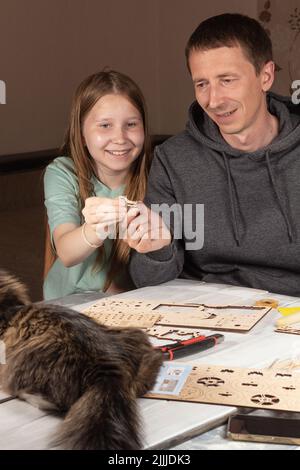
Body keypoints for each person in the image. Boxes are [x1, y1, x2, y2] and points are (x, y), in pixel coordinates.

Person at [127, 13, 300, 296]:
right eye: (202, 84)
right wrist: (156, 249)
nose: (214, 100)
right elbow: (148, 282)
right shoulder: (174, 159)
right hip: (206, 311)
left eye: (227, 80)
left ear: (265, 76)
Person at [43, 70, 151, 300]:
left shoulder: (157, 173)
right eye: (105, 126)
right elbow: (67, 252)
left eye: (131, 124)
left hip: (135, 301)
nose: (120, 138)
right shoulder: (63, 172)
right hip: (71, 301)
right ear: (81, 134)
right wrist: (97, 228)